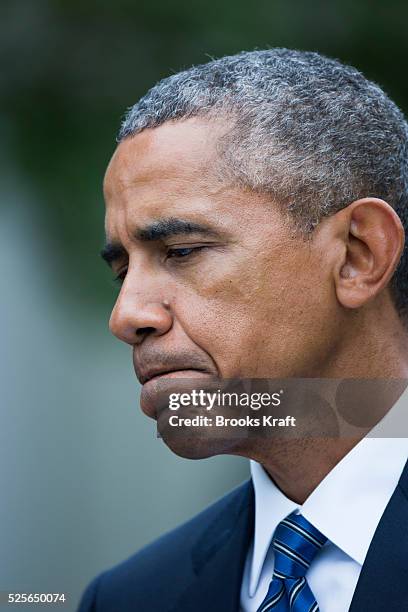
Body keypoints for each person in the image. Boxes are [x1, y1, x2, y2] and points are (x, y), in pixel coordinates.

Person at [78, 49, 408, 611]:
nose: (127, 316)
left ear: (359, 254)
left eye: (181, 251)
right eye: (121, 272)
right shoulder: (129, 598)